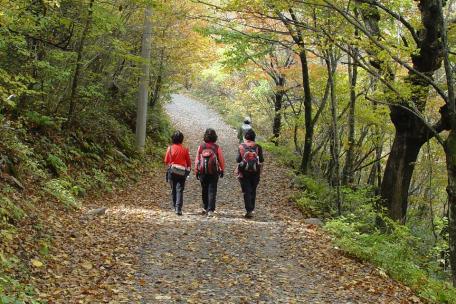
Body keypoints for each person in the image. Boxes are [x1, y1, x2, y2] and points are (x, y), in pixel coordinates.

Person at [195, 128, 225, 217]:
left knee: (204, 189)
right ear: (215, 137)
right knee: (212, 190)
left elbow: (197, 160)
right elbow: (221, 159)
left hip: (203, 171)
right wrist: (222, 169)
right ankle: (211, 209)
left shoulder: (201, 146)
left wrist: (196, 170)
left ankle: (205, 207)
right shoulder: (216, 147)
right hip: (214, 172)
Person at [237, 129, 264, 218]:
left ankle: (249, 210)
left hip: (244, 172)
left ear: (245, 137)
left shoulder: (241, 146)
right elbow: (262, 160)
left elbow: (238, 160)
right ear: (254, 137)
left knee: (246, 191)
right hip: (255, 172)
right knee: (253, 190)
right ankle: (251, 209)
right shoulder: (258, 147)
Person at [164, 131, 191, 216]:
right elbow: (189, 162)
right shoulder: (185, 149)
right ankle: (178, 208)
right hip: (182, 172)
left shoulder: (170, 148)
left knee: (173, 189)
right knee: (179, 189)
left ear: (173, 139)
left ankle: (175, 206)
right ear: (182, 139)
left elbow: (166, 161)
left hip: (172, 171)